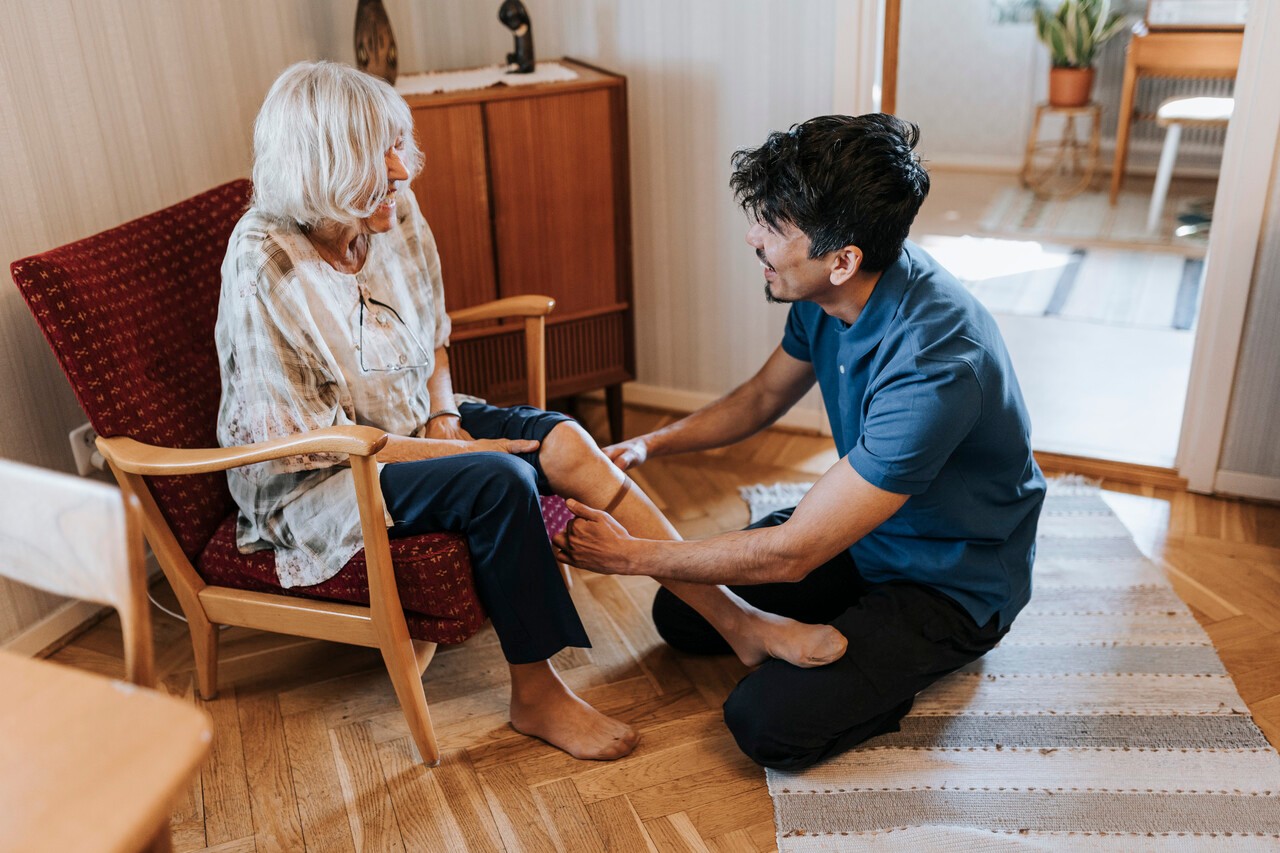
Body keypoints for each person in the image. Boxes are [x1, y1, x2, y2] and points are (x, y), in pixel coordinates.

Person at [215, 61, 848, 762]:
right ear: (323, 165)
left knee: (570, 443)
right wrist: (457, 454)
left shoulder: (391, 214)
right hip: (323, 476)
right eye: (379, 155)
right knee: (498, 480)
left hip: (411, 419)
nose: (403, 168)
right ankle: (536, 692)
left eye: (398, 144)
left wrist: (440, 415)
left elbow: (431, 335)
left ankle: (738, 622)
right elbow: (308, 441)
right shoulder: (263, 261)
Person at [556, 114, 1046, 770]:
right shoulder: (826, 291)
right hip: (867, 536)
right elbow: (760, 398)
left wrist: (630, 555)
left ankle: (896, 668)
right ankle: (837, 622)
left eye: (775, 226)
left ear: (843, 259)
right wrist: (652, 445)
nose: (754, 237)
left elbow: (792, 554)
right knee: (683, 616)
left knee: (764, 720)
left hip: (951, 580)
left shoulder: (937, 358)